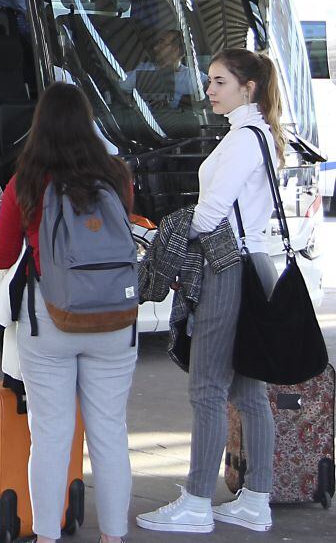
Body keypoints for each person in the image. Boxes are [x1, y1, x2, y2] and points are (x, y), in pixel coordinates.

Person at [136, 48, 285, 534]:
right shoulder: (260, 135)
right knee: (249, 390)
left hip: (226, 268)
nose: (209, 89)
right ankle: (256, 498)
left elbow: (210, 214)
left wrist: (161, 236)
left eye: (219, 81)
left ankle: (198, 500)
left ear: (248, 87)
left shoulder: (243, 139)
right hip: (256, 265)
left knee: (207, 386)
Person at [0, 82, 137, 543]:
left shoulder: (27, 180)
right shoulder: (117, 176)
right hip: (115, 321)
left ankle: (48, 537)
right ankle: (114, 536)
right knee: (109, 434)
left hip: (49, 319)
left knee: (51, 435)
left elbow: (0, 254)